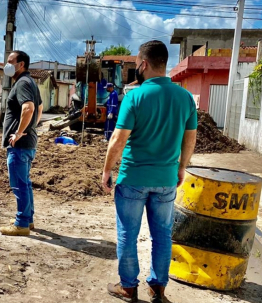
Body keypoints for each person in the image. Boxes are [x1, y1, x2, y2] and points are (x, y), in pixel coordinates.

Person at [101, 40, 197, 303]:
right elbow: (190, 139)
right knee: (162, 235)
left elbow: (118, 140)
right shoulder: (185, 98)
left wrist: (107, 170)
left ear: (143, 64)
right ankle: (158, 289)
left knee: (127, 234)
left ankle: (128, 287)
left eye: (136, 65)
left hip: (133, 179)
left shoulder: (135, 96)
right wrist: (181, 168)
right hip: (166, 179)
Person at [0, 50, 43, 236]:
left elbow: (29, 108)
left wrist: (18, 133)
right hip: (28, 142)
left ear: (21, 64)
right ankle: (28, 218)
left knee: (18, 183)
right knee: (25, 182)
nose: (7, 64)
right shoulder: (30, 82)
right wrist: (31, 127)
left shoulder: (23, 83)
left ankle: (22, 223)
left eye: (11, 61)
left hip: (20, 144)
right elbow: (39, 108)